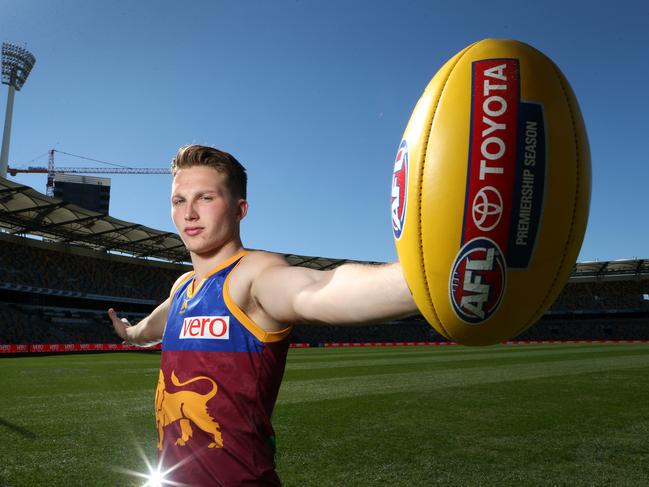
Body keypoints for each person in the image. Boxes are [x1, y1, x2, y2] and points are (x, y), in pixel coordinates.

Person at [109, 144, 417, 486]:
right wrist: (127, 332)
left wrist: (430, 278)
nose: (189, 213)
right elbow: (150, 329)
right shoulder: (183, 288)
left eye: (205, 198)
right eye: (179, 200)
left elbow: (319, 288)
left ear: (240, 209)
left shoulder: (252, 276)